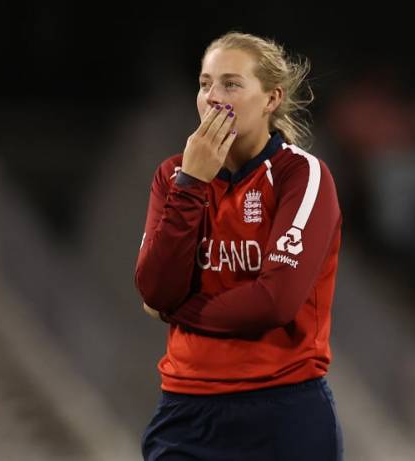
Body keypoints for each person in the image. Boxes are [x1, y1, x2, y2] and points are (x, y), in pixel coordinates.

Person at [135, 31, 343, 461]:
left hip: (283, 410)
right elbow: (154, 289)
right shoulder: (173, 177)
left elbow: (274, 302)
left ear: (271, 99)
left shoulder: (302, 175)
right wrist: (192, 184)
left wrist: (177, 310)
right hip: (185, 410)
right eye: (205, 84)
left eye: (231, 84)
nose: (213, 97)